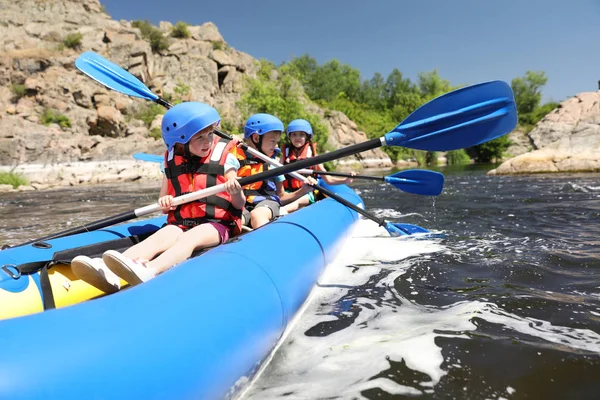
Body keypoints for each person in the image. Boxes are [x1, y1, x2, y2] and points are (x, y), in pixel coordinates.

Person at [70, 102, 245, 293]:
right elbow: (164, 204)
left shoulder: (225, 158)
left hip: (217, 224)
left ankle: (150, 270)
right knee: (159, 237)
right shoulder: (171, 162)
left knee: (190, 238)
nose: (208, 141)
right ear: (181, 143)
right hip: (183, 223)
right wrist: (166, 202)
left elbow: (239, 204)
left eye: (210, 134)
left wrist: (235, 190)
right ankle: (110, 270)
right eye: (200, 137)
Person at [234, 113, 316, 229]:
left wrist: (303, 190)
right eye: (273, 141)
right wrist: (232, 142)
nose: (276, 145)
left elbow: (281, 197)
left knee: (257, 215)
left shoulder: (274, 165)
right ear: (257, 138)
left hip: (267, 204)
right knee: (236, 221)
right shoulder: (236, 158)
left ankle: (268, 244)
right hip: (243, 206)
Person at [281, 119, 356, 213]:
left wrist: (345, 180)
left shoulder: (313, 157)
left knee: (297, 201)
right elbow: (277, 176)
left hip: (308, 193)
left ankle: (282, 211)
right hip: (290, 192)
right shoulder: (285, 155)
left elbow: (328, 180)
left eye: (301, 134)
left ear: (307, 137)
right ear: (289, 137)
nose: (297, 137)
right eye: (294, 134)